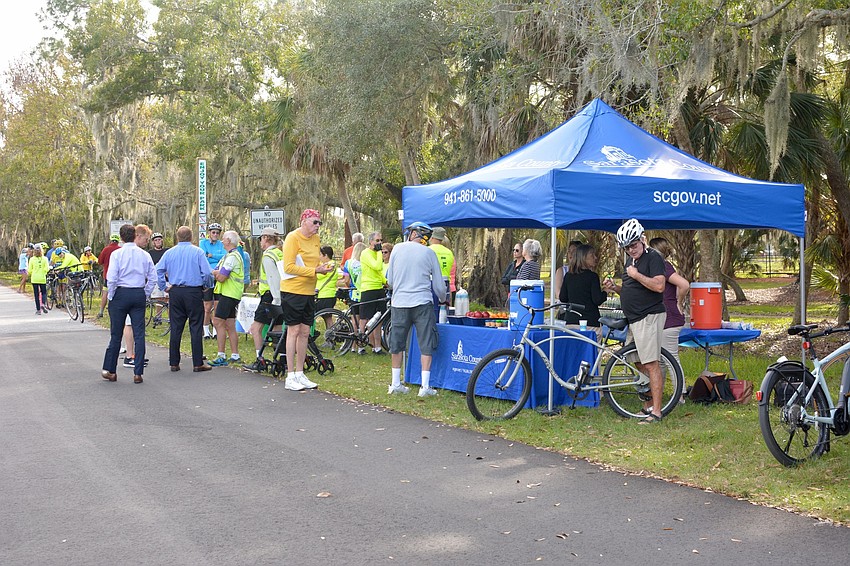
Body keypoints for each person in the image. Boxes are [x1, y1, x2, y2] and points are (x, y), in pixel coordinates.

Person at [603, 219, 667, 423]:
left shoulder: (653, 257)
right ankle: (648, 405)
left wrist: (637, 275)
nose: (631, 250)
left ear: (641, 239)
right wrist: (615, 288)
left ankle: (656, 411)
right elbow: (631, 288)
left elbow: (659, 286)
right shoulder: (630, 262)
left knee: (651, 363)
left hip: (649, 316)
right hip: (634, 318)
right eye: (626, 247)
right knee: (635, 361)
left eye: (633, 245)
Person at [386, 221, 446, 397]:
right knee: (425, 343)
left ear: (413, 233)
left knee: (397, 343)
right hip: (422, 302)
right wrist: (443, 299)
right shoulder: (429, 252)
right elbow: (438, 285)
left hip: (400, 303)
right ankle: (424, 386)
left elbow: (390, 280)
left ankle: (396, 383)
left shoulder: (397, 249)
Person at [280, 209, 334, 391]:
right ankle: (290, 375)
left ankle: (300, 372)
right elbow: (288, 266)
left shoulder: (316, 240)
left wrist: (322, 267)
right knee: (293, 330)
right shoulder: (292, 238)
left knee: (305, 331)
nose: (318, 226)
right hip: (292, 290)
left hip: (309, 291)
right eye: (315, 222)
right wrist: (314, 271)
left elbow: (313, 263)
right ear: (304, 221)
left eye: (319, 222)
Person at [102, 224, 156, 384]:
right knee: (139, 334)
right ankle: (138, 372)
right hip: (138, 292)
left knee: (116, 334)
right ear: (134, 236)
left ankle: (110, 370)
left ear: (121, 237)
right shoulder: (144, 255)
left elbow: (111, 278)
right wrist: (144, 293)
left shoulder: (117, 254)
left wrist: (112, 295)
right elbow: (152, 278)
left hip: (121, 293)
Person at [156, 225, 213, 372]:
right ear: (191, 237)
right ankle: (197, 363)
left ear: (177, 237)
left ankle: (174, 362)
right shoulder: (198, 252)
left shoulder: (169, 253)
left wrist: (164, 286)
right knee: (195, 326)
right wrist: (207, 285)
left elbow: (158, 270)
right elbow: (207, 273)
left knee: (176, 327)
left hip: (175, 292)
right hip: (193, 292)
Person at [649, 237, 690, 400]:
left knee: (671, 358)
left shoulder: (664, 267)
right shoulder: (657, 268)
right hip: (661, 319)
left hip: (670, 319)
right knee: (660, 360)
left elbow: (684, 284)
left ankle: (680, 393)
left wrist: (679, 302)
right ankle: (661, 391)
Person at [244, 228, 284, 372]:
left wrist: (276, 300)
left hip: (270, 296)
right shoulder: (280, 253)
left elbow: (273, 279)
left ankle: (259, 359)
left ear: (266, 238)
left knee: (256, 328)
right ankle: (281, 358)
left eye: (261, 238)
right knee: (277, 329)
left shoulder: (268, 256)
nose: (260, 242)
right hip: (280, 295)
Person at [209, 230, 245, 367]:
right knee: (230, 325)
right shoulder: (229, 255)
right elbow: (216, 271)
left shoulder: (232, 257)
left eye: (223, 239)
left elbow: (221, 276)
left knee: (218, 322)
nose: (222, 241)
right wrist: (217, 273)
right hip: (230, 293)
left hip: (229, 294)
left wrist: (217, 273)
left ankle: (221, 355)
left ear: (229, 241)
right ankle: (235, 355)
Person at [559, 244, 607, 327]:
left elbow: (563, 298)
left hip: (571, 320)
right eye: (592, 255)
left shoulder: (568, 276)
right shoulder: (592, 276)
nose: (595, 258)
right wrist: (605, 291)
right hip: (590, 321)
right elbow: (597, 300)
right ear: (584, 257)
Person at [358, 232, 388, 355]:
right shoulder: (366, 253)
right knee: (364, 318)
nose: (379, 243)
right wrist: (380, 253)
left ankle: (377, 347)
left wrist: (386, 282)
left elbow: (379, 273)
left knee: (379, 319)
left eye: (380, 240)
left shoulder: (377, 254)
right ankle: (360, 345)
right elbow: (376, 266)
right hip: (368, 288)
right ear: (371, 242)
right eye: (377, 240)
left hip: (378, 288)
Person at [200, 222, 226, 339]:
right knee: (207, 306)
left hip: (219, 276)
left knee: (217, 305)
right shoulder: (203, 243)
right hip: (208, 276)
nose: (215, 234)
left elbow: (225, 256)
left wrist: (212, 255)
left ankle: (216, 329)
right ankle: (206, 330)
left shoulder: (221, 244)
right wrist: (214, 256)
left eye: (217, 233)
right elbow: (203, 258)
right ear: (209, 233)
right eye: (213, 232)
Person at [340, 242, 366, 330]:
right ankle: (362, 337)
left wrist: (349, 286)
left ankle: (354, 341)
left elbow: (346, 280)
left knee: (355, 319)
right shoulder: (366, 263)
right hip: (365, 292)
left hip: (353, 293)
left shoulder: (348, 263)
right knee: (364, 318)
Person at [97, 234, 121, 318]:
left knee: (105, 293)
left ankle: (101, 312)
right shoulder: (120, 250)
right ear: (118, 241)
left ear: (110, 240)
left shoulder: (106, 249)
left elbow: (99, 261)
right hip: (119, 277)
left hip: (108, 275)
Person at [429, 227, 455, 303]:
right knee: (444, 310)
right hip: (445, 283)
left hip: (432, 283)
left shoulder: (428, 250)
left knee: (432, 310)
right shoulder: (449, 252)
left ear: (432, 237)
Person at [315, 245, 339, 313]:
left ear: (325, 255)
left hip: (325, 294)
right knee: (328, 318)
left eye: (320, 254)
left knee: (325, 316)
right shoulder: (329, 264)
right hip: (328, 294)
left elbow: (318, 275)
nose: (319, 257)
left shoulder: (329, 265)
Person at [28, 246, 49, 314]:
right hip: (42, 278)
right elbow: (47, 268)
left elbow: (29, 270)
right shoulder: (45, 259)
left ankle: (38, 310)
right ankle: (43, 304)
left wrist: (32, 273)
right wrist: (44, 272)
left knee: (36, 294)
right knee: (44, 292)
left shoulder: (32, 259)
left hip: (34, 278)